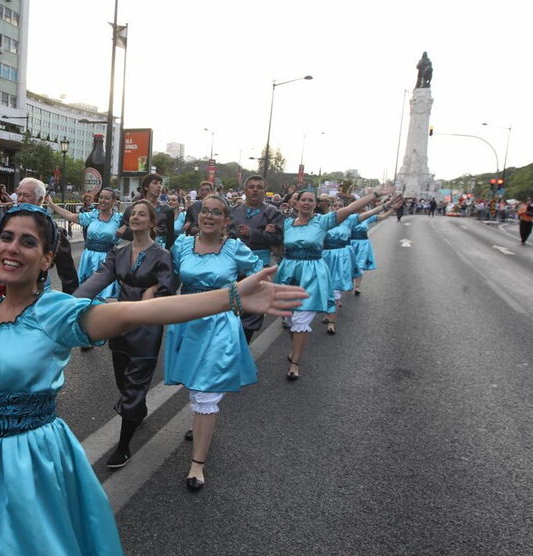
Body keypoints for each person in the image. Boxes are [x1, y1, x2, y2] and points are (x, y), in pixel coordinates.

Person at [0, 203, 306, 556]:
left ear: (46, 259)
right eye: (6, 237)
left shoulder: (54, 311)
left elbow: (135, 314)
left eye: (28, 242)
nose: (12, 248)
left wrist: (230, 296)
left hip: (29, 459)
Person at [165, 194, 264, 491]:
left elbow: (260, 271)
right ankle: (198, 423)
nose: (209, 216)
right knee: (194, 384)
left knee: (207, 392)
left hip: (219, 325)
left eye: (216, 212)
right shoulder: (182, 245)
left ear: (225, 220)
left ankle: (197, 464)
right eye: (205, 211)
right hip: (186, 319)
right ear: (198, 216)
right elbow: (167, 276)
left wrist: (238, 297)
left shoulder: (234, 248)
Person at [73, 200, 178, 468]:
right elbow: (97, 280)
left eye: (142, 214)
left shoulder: (162, 255)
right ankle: (137, 408)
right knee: (123, 382)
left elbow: (168, 288)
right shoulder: (118, 252)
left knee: (134, 386)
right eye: (133, 214)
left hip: (146, 325)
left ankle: (123, 447)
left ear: (152, 222)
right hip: (120, 323)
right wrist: (71, 302)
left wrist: (154, 290)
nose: (135, 217)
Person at [275, 189, 392, 381]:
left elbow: (351, 209)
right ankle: (296, 345)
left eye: (310, 200)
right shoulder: (287, 223)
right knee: (288, 320)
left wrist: (376, 195)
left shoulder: (323, 221)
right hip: (288, 275)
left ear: (316, 204)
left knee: (301, 320)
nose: (306, 203)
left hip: (312, 275)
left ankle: (294, 363)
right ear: (296, 203)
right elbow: (279, 246)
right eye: (303, 200)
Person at [320, 200, 393, 334]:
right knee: (325, 288)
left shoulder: (350, 220)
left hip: (341, 258)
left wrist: (387, 206)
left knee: (335, 290)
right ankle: (327, 313)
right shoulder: (324, 219)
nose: (337, 208)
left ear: (344, 208)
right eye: (335, 206)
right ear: (331, 207)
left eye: (340, 206)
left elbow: (371, 214)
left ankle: (331, 322)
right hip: (325, 257)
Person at [228, 176, 284, 342]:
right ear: (245, 190)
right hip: (232, 266)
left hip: (259, 267)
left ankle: (243, 345)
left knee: (252, 311)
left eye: (259, 187)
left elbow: (278, 238)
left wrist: (253, 233)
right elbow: (225, 235)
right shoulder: (233, 211)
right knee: (230, 306)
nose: (255, 190)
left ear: (264, 191)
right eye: (251, 187)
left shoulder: (272, 212)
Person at [45, 187, 122, 299]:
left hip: (107, 260)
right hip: (88, 258)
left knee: (104, 295)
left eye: (107, 198)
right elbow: (70, 215)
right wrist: (52, 205)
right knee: (86, 294)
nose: (103, 200)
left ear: (114, 201)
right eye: (101, 197)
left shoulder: (119, 219)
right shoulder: (92, 216)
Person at [15, 177, 79, 293]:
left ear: (40, 200)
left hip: (37, 291)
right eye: (19, 194)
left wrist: (72, 299)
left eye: (26, 195)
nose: (20, 199)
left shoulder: (52, 229)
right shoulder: (8, 221)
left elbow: (67, 273)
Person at [117, 173, 176, 249]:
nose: (159, 186)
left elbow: (171, 237)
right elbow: (121, 232)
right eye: (155, 183)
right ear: (146, 187)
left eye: (160, 184)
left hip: (159, 250)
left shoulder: (167, 210)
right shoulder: (132, 209)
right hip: (136, 250)